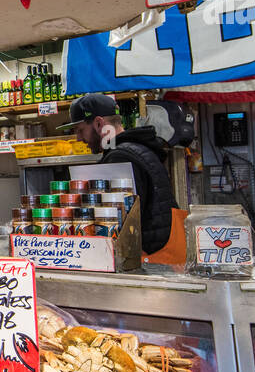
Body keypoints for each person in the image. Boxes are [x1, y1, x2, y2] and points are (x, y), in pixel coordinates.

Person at [62, 93, 175, 255]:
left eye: (80, 130)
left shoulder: (119, 158)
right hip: (161, 250)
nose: (79, 138)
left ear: (99, 123)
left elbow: (122, 220)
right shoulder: (137, 148)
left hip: (149, 256)